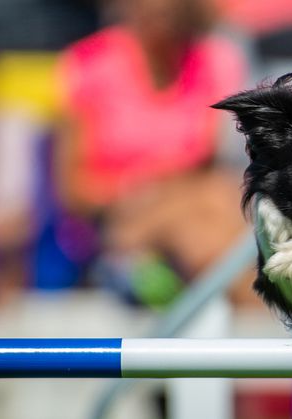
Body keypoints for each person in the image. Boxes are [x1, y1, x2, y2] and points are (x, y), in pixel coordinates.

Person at [56, 0, 248, 304]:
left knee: (217, 209)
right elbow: (74, 191)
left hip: (196, 203)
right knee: (204, 230)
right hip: (117, 221)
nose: (162, 17)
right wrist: (142, 187)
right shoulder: (89, 63)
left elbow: (209, 161)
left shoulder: (213, 59)